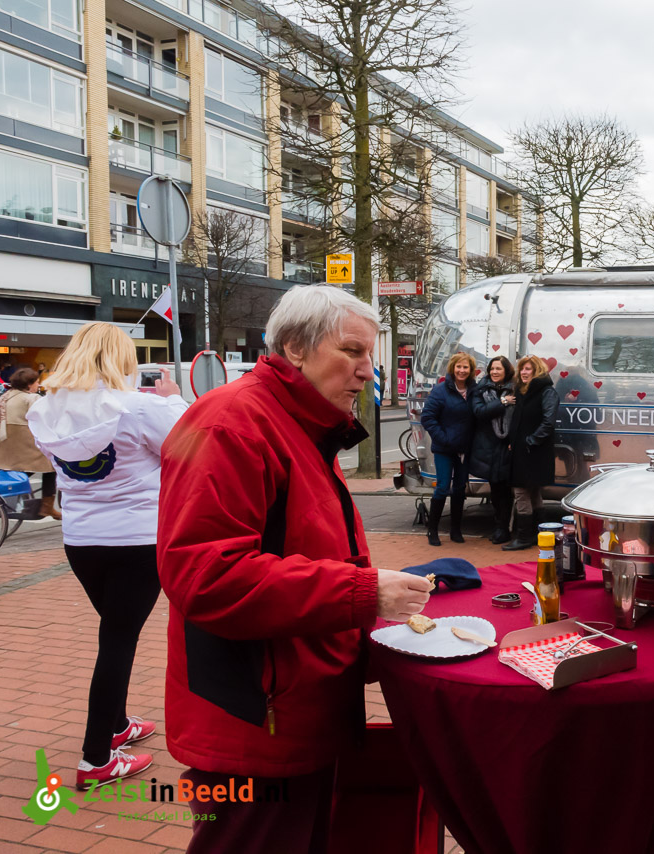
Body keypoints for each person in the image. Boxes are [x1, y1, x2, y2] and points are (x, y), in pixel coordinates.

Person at [157, 285, 435, 853]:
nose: (368, 371)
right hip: (256, 720)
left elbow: (302, 548)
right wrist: (363, 592)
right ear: (295, 348)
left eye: (370, 354)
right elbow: (207, 577)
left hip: (296, 706)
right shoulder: (232, 424)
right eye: (352, 351)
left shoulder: (297, 423)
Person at [25, 323, 188, 790]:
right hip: (137, 539)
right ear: (122, 359)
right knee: (118, 640)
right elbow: (189, 444)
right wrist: (174, 401)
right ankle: (96, 758)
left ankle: (116, 726)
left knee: (115, 631)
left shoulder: (45, 409)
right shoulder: (138, 407)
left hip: (81, 541)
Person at [420, 352, 477, 546]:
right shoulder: (440, 391)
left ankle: (456, 530)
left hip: (464, 449)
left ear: (471, 370)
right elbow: (428, 417)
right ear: (453, 368)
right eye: (459, 367)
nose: (462, 370)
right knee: (443, 487)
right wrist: (444, 439)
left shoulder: (474, 390)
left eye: (465, 367)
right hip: (444, 448)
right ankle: (432, 530)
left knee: (460, 488)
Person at [502, 355, 558, 551]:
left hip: (534, 450)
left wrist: (531, 441)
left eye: (528, 369)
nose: (523, 373)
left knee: (521, 492)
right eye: (522, 369)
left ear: (537, 371)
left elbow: (548, 422)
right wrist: (513, 441)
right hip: (522, 449)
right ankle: (538, 534)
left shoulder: (547, 392)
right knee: (533, 492)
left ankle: (524, 536)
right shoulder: (523, 391)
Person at [0, 367, 59, 519]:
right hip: (23, 445)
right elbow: (46, 418)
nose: (38, 385)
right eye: (37, 382)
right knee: (50, 466)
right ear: (29, 384)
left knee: (15, 469)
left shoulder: (6, 395)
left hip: (5, 446)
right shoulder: (31, 399)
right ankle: (47, 507)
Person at [469, 355, 516, 544]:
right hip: (488, 445)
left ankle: (506, 527)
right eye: (492, 369)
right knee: (496, 488)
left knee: (507, 488)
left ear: (506, 371)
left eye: (499, 369)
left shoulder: (516, 388)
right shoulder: (481, 389)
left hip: (508, 445)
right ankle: (500, 527)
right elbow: (479, 412)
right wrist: (503, 402)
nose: (494, 372)